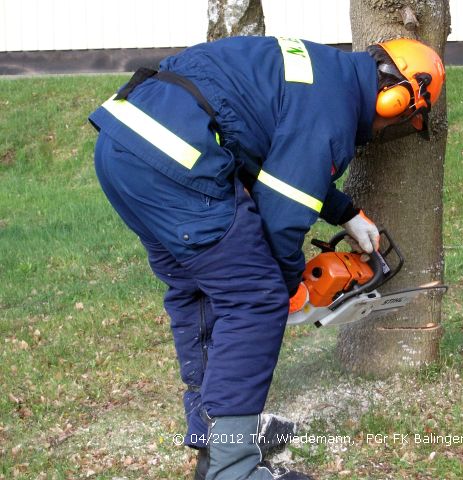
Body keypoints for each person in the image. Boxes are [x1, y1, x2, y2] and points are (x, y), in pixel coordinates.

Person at [89, 35, 444, 480]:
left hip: (123, 148)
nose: (386, 131)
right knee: (254, 299)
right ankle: (233, 470)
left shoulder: (323, 75)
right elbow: (280, 222)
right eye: (402, 120)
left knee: (199, 292)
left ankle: (215, 447)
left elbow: (277, 162)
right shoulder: (332, 111)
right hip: (177, 160)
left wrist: (346, 212)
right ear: (394, 98)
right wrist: (289, 288)